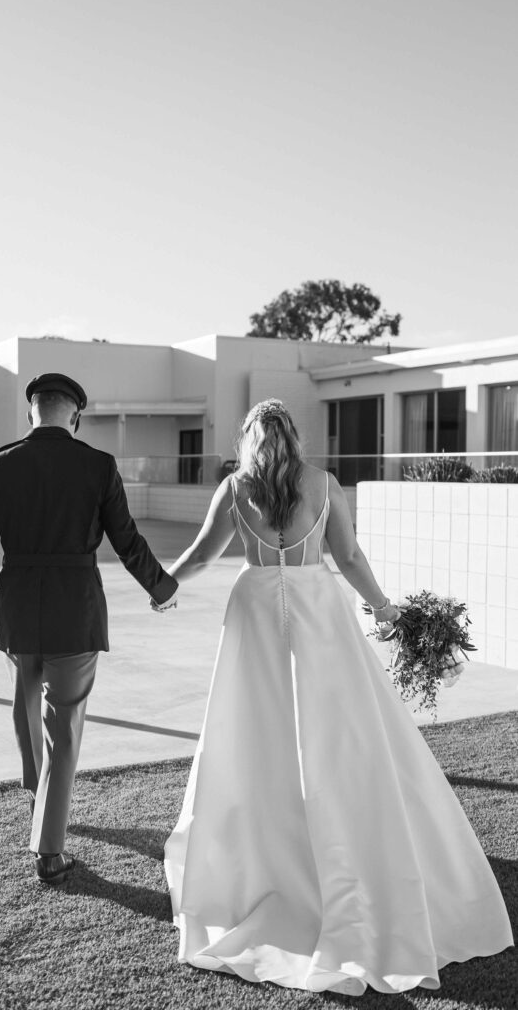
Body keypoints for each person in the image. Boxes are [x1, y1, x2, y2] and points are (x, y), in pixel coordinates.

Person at [162, 399, 512, 996]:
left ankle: (273, 852)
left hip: (253, 610)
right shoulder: (322, 483)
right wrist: (385, 608)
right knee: (342, 728)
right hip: (319, 608)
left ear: (249, 439)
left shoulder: (236, 487)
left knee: (258, 732)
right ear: (294, 435)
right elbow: (346, 556)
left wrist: (160, 585)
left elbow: (200, 555)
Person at [0, 373, 178, 885]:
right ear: (73, 415)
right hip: (75, 613)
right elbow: (126, 539)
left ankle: (41, 801)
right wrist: (161, 587)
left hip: (17, 609)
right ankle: (50, 851)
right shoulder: (98, 465)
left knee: (26, 708)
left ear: (31, 413)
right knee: (64, 726)